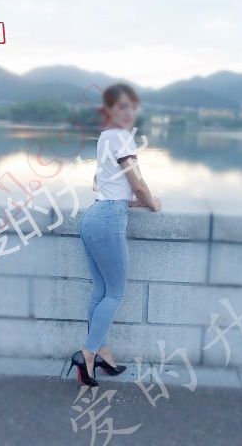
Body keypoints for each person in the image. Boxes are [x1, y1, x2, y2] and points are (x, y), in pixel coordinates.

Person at [67, 83, 162, 386]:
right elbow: (138, 185)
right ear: (108, 109)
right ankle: (88, 353)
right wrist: (152, 203)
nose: (129, 111)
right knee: (116, 292)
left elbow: (102, 184)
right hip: (108, 221)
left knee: (101, 288)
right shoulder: (122, 138)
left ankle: (103, 353)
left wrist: (134, 201)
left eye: (132, 106)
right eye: (122, 106)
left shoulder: (105, 137)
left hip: (95, 216)